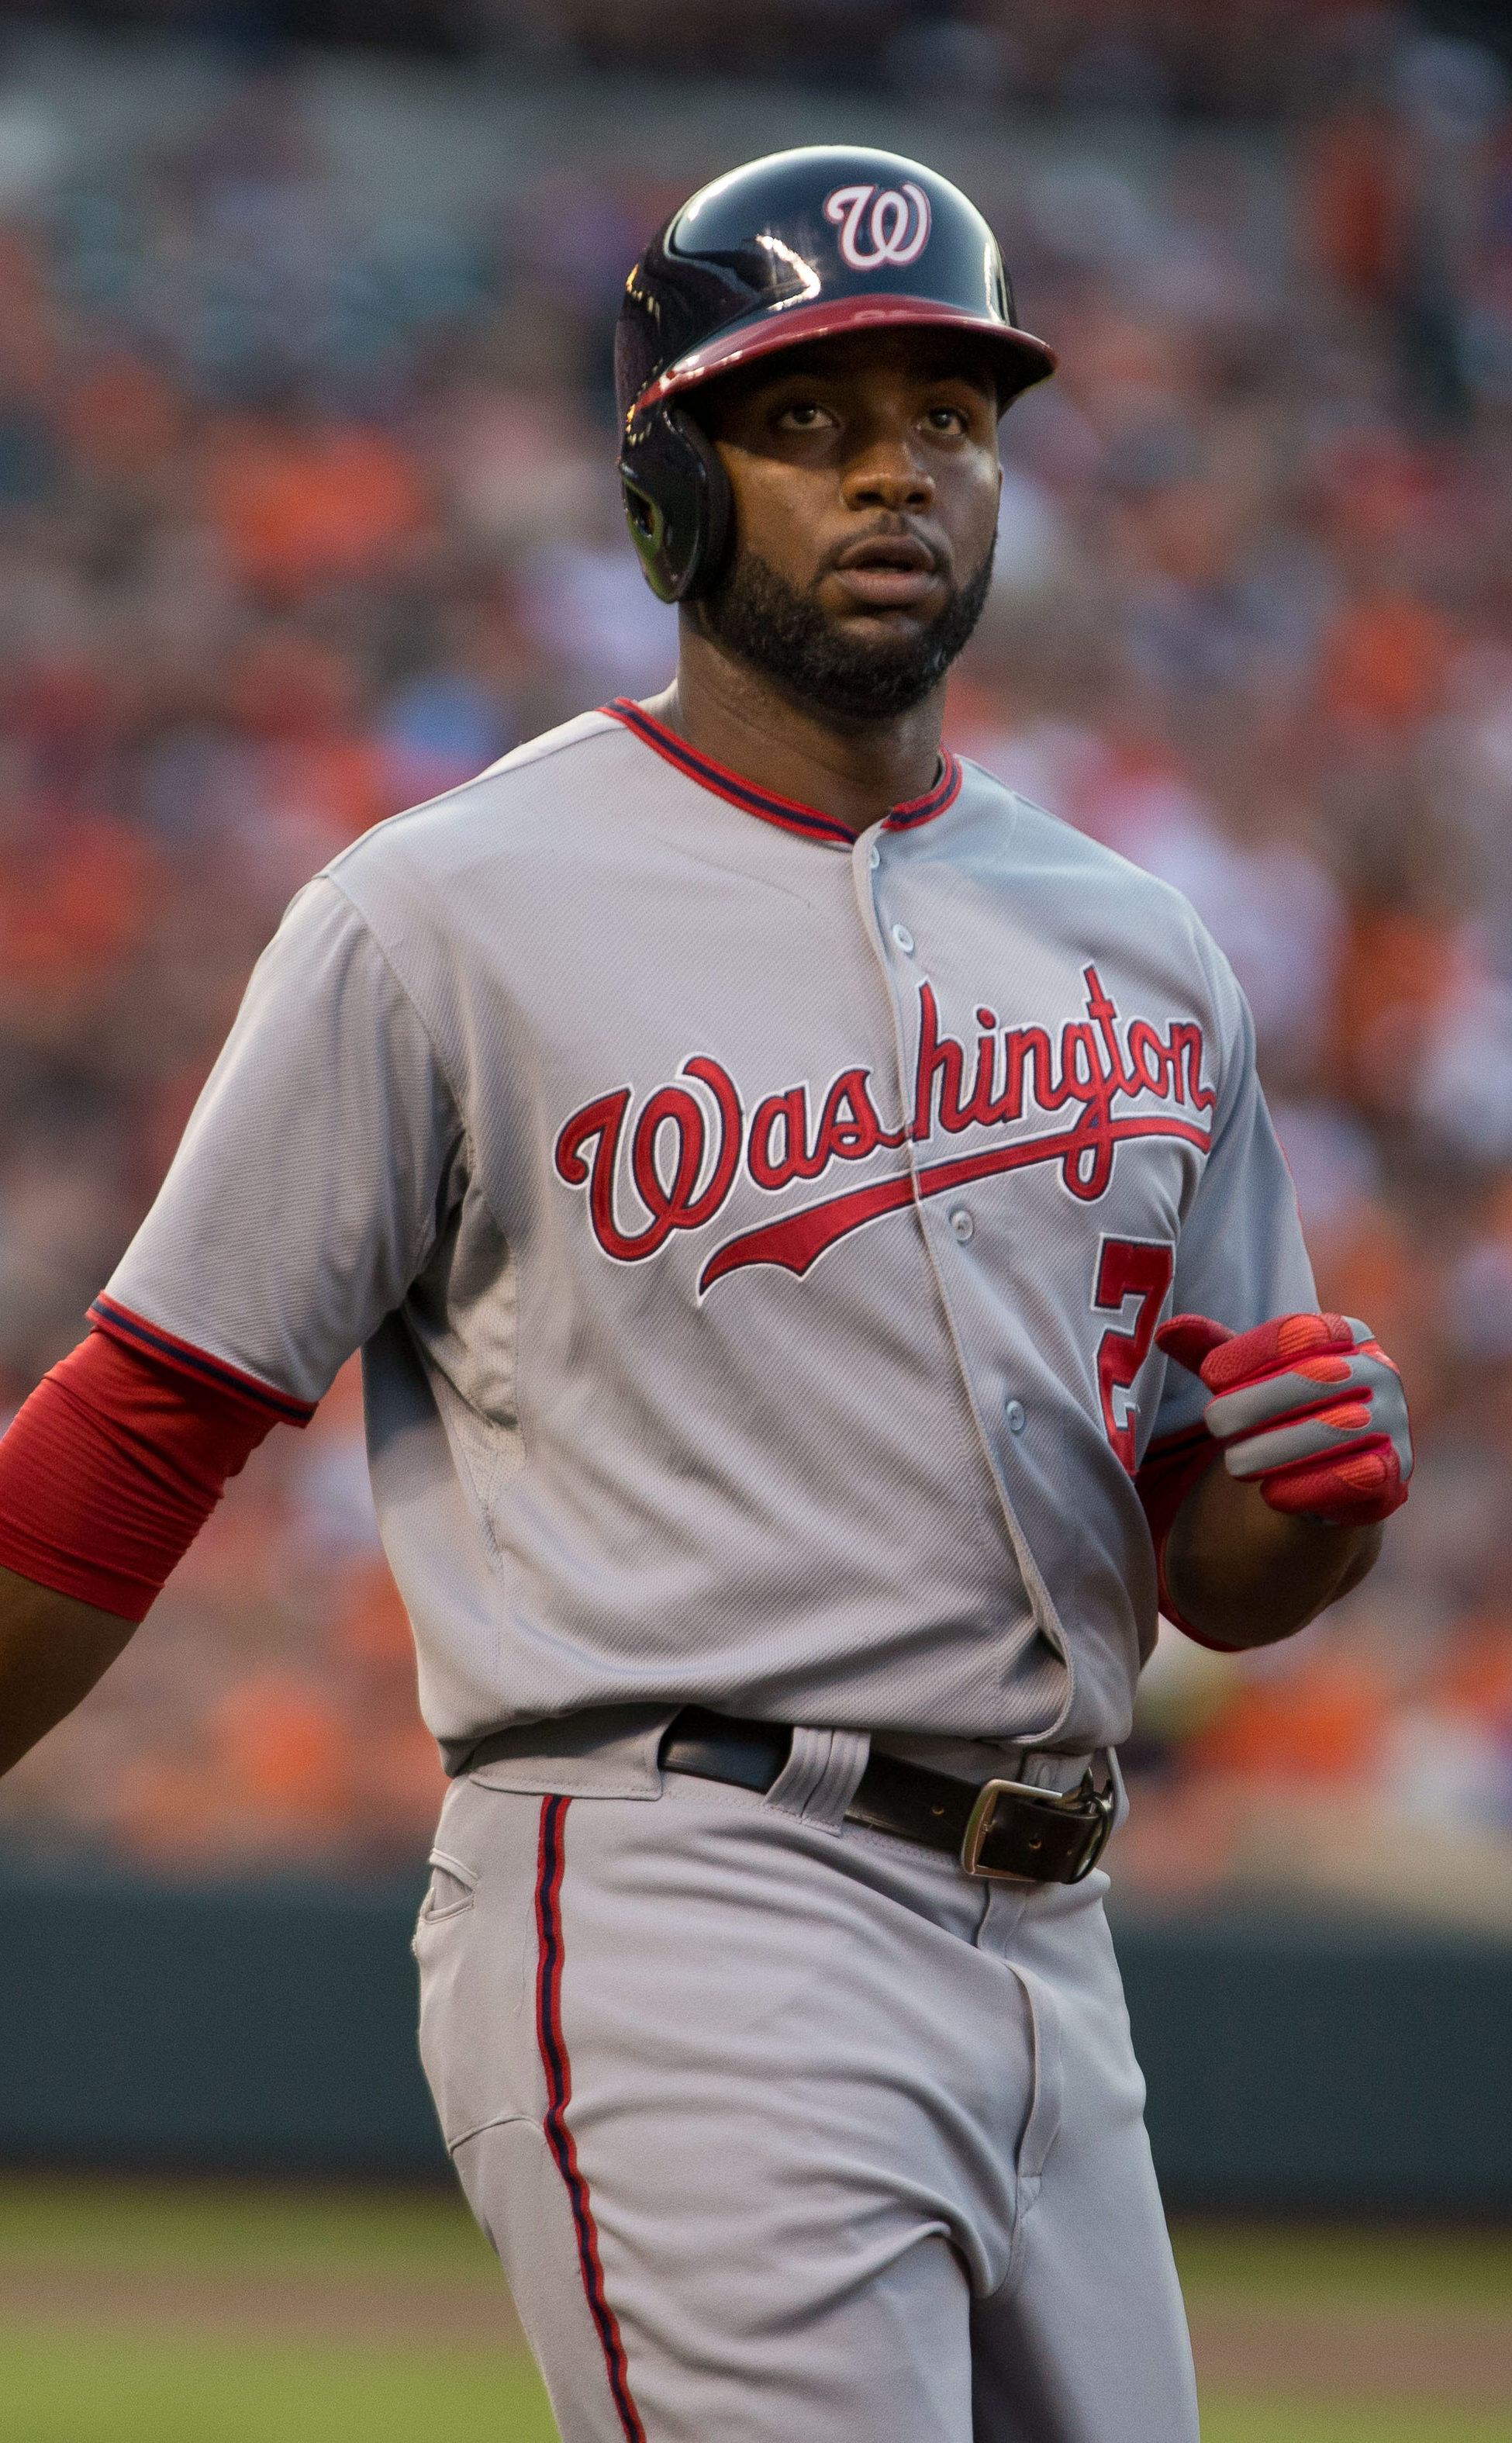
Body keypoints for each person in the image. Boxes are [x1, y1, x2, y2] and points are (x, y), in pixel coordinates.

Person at [0, 147, 1412, 2443]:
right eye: (806, 414)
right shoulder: (445, 909)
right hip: (685, 1895)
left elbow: (1189, 1547)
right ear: (667, 476)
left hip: (1056, 1934)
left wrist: (1306, 1519)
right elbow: (146, 1416)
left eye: (946, 419)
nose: (894, 470)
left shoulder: (1144, 943)